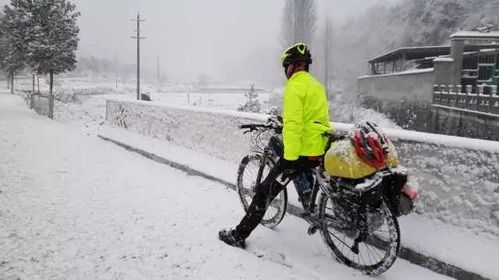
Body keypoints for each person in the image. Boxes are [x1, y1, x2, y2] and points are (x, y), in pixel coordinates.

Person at [219, 43, 332, 248]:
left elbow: (294, 124)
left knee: (264, 192)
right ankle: (310, 204)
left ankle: (238, 235)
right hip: (318, 147)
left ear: (291, 67)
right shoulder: (316, 86)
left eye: (286, 67)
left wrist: (289, 156)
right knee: (303, 173)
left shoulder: (294, 87)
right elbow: (313, 118)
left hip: (301, 152)